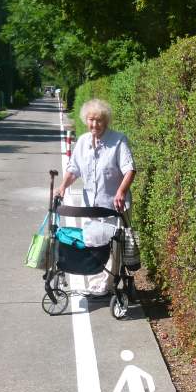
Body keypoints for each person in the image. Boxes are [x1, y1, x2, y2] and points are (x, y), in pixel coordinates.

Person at [55, 98, 136, 295]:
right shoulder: (82, 142)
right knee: (93, 242)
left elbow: (130, 170)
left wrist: (121, 191)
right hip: (91, 206)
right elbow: (73, 169)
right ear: (86, 120)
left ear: (106, 121)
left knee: (113, 244)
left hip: (114, 205)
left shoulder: (118, 141)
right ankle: (95, 282)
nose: (94, 124)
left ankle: (107, 284)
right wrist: (63, 186)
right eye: (91, 120)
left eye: (99, 120)